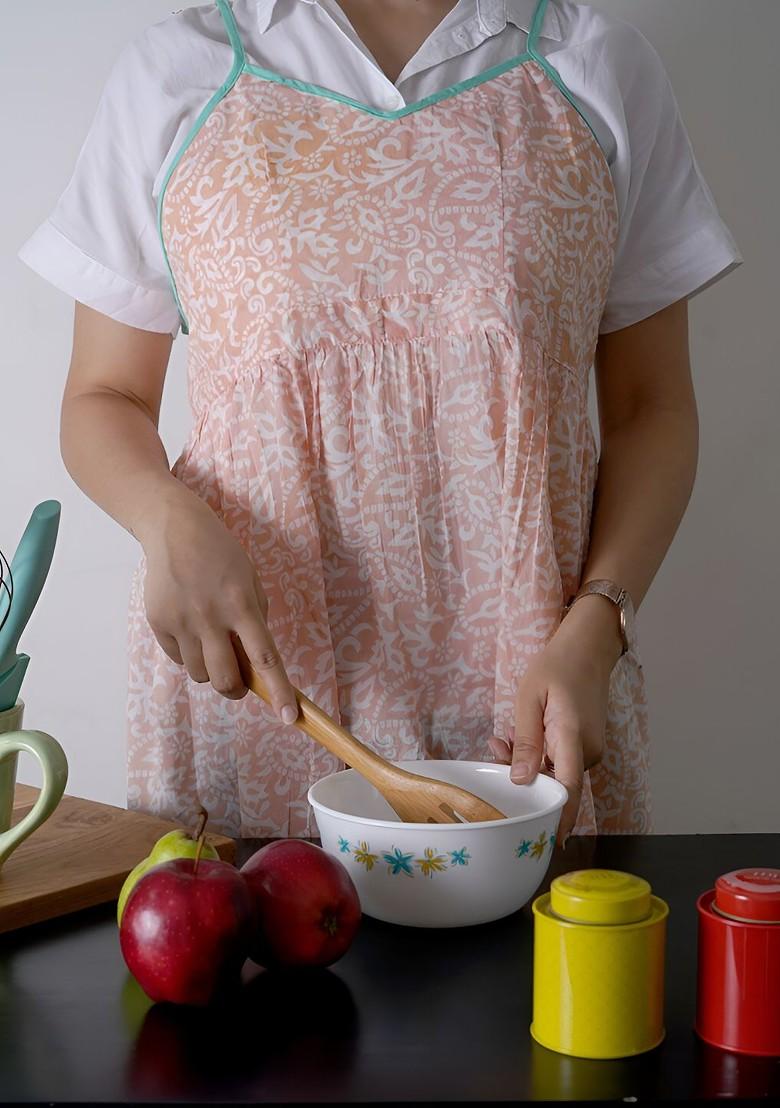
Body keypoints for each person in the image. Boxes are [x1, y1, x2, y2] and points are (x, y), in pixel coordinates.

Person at [18, 0, 742, 845]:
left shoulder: (596, 68)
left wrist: (601, 622)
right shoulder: (182, 72)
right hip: (258, 682)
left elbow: (650, 406)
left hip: (540, 692)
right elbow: (104, 394)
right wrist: (165, 519)